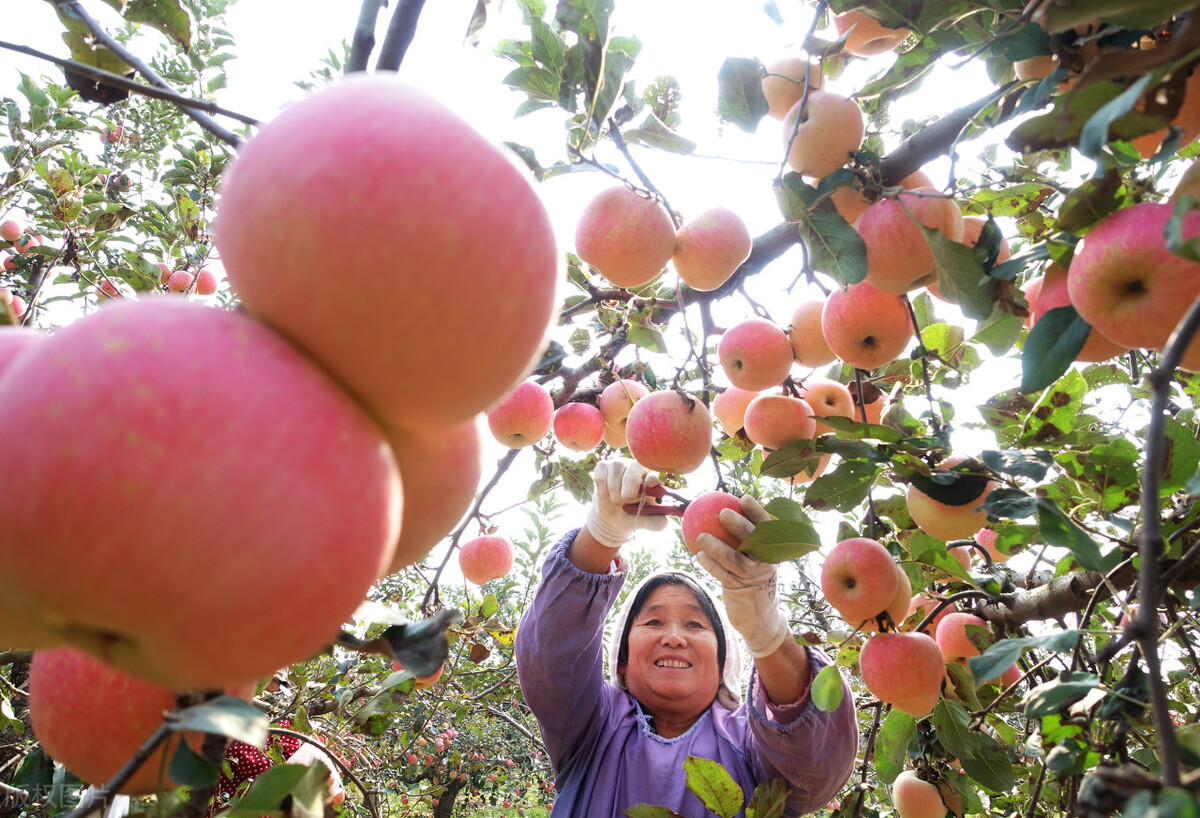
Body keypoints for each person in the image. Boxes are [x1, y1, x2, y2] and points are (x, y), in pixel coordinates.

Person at [515, 459, 859, 818]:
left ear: (723, 662)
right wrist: (599, 537)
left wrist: (767, 632)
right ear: (622, 661)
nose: (674, 637)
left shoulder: (750, 743)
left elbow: (814, 766)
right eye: (653, 622)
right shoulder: (591, 727)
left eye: (695, 625)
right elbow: (551, 660)